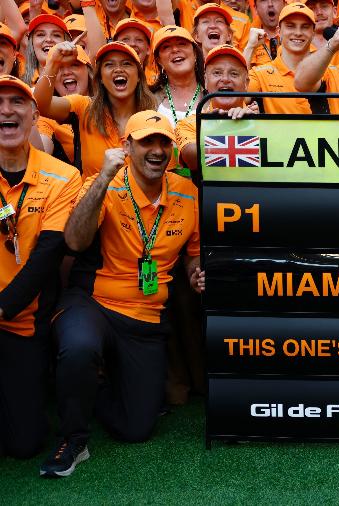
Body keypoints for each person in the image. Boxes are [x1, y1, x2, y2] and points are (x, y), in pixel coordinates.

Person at [39, 110, 202, 478]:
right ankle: (73, 439)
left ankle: (103, 385)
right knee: (79, 346)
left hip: (145, 318)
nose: (156, 151)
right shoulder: (102, 182)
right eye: (146, 142)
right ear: (127, 146)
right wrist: (103, 180)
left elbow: (193, 257)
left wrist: (196, 276)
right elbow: (74, 240)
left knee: (136, 429)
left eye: (163, 142)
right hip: (94, 303)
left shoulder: (187, 192)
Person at [0, 75, 81, 460]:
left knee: (24, 444)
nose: (6, 110)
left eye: (17, 102)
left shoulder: (64, 175)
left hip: (20, 322)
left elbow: (48, 253)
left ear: (34, 114)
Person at [34, 41, 157, 179]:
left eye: (126, 63)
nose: (118, 69)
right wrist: (53, 63)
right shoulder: (84, 107)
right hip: (93, 199)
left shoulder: (154, 116)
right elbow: (40, 105)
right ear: (101, 78)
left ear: (139, 76)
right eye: (109, 64)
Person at [248, 3, 315, 114]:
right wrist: (250, 47)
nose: (298, 33)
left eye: (305, 27)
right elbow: (238, 97)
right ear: (279, 31)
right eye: (290, 26)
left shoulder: (327, 72)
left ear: (313, 33)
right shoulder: (260, 74)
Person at [34, 44, 93, 167]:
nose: (66, 72)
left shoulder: (110, 103)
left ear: (89, 71)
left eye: (74, 65)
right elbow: (39, 155)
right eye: (59, 68)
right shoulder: (46, 117)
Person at [150, 26, 205, 129]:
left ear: (195, 53)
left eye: (182, 44)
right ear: (159, 61)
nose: (175, 49)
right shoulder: (148, 100)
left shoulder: (214, 96)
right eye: (166, 47)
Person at [244, 0, 286, 68]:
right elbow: (242, 75)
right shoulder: (247, 37)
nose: (270, 4)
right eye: (264, 0)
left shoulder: (298, 34)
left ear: (285, 4)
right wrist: (250, 47)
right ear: (255, 8)